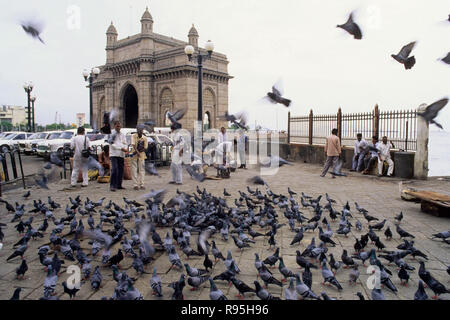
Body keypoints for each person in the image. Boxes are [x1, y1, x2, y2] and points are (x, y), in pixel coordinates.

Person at [109, 121, 128, 192]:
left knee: (121, 170)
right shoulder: (111, 134)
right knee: (114, 169)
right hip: (114, 154)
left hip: (121, 154)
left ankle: (119, 185)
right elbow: (112, 144)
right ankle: (112, 185)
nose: (119, 128)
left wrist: (125, 148)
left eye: (119, 126)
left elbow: (125, 142)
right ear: (114, 126)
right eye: (117, 126)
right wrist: (121, 148)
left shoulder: (122, 134)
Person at [131, 125, 148, 190]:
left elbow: (145, 147)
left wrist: (139, 152)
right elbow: (133, 144)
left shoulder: (144, 138)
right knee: (134, 169)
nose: (140, 131)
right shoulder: (133, 136)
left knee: (142, 170)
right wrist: (137, 152)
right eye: (138, 130)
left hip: (142, 155)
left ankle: (142, 184)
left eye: (141, 130)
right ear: (137, 130)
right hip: (134, 154)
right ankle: (135, 184)